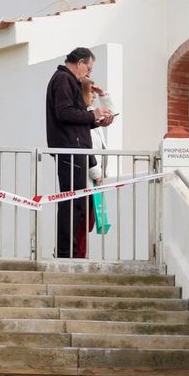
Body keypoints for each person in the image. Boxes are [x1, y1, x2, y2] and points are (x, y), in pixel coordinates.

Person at [45, 48, 113, 258]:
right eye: (89, 69)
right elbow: (64, 113)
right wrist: (91, 116)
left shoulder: (64, 80)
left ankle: (71, 252)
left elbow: (73, 120)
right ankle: (67, 253)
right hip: (70, 151)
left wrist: (94, 120)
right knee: (72, 204)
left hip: (74, 149)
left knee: (77, 205)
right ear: (80, 63)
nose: (88, 74)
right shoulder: (63, 79)